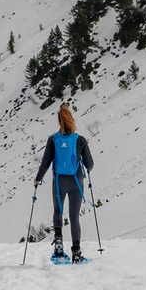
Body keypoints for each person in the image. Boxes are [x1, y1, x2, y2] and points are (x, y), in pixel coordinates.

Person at [33, 103, 95, 262]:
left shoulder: (53, 139)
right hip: (76, 181)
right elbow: (90, 164)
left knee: (57, 211)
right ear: (72, 120)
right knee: (74, 217)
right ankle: (76, 252)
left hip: (59, 182)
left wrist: (38, 178)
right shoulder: (80, 140)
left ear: (59, 121)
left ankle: (59, 247)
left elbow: (45, 162)